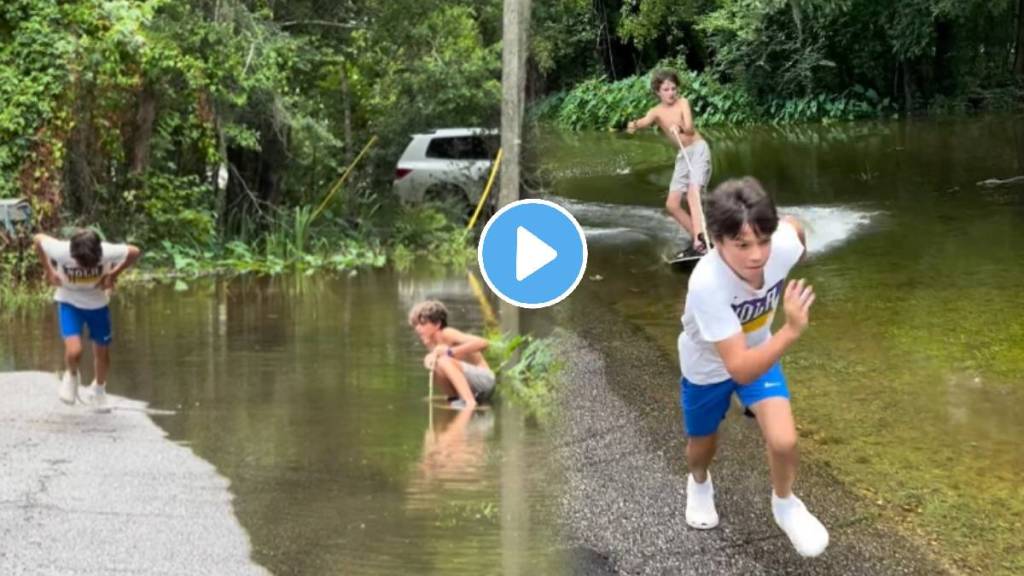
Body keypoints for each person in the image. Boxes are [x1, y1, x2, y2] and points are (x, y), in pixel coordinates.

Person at [677, 177, 828, 557]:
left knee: (784, 440)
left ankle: (785, 502)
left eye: (763, 240)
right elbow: (739, 368)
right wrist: (792, 329)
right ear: (716, 239)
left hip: (759, 349)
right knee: (702, 444)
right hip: (708, 366)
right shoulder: (706, 284)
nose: (757, 255)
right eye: (741, 245)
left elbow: (795, 228)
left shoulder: (783, 244)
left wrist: (800, 252)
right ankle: (698, 483)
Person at [33, 229, 141, 411]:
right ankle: (72, 375)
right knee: (74, 351)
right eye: (80, 262)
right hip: (69, 302)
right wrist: (49, 270)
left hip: (97, 304)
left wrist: (113, 274)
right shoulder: (60, 250)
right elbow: (38, 239)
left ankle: (99, 390)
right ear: (72, 254)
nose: (84, 267)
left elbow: (134, 252)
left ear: (98, 253)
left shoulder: (107, 251)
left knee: (102, 352)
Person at [626, 68, 712, 256]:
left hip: (698, 149)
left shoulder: (683, 103)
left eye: (673, 88)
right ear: (658, 91)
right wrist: (634, 125)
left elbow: (689, 129)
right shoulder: (656, 112)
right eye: (666, 89)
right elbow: (644, 121)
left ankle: (700, 243)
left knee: (692, 193)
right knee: (672, 204)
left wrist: (679, 126)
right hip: (683, 155)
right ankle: (699, 239)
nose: (671, 93)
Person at [409, 300, 494, 410]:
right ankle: (455, 400)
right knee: (437, 365)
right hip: (472, 386)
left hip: (484, 380)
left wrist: (450, 351)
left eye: (423, 324)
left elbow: (483, 343)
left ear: (437, 324)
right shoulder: (430, 341)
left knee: (444, 361)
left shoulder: (447, 333)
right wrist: (429, 359)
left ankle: (470, 402)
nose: (418, 328)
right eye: (416, 325)